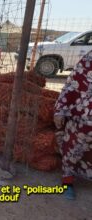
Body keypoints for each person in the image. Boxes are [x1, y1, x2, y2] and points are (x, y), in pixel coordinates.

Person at [54, 50, 92, 200]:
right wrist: (60, 110)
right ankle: (67, 182)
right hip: (82, 118)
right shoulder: (89, 59)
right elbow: (73, 84)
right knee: (73, 150)